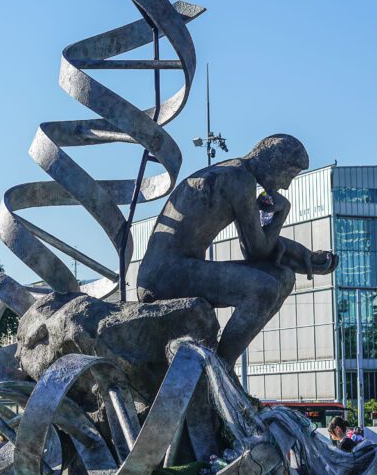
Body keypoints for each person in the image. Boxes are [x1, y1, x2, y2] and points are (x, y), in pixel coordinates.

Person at [137, 134, 338, 366]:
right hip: (166, 276)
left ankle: (221, 367)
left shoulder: (234, 172)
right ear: (273, 161)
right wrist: (282, 212)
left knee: (282, 276)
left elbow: (256, 246)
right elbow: (256, 252)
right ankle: (222, 368)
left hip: (174, 270)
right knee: (264, 289)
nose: (285, 185)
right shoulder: (239, 180)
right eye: (289, 174)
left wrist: (304, 257)